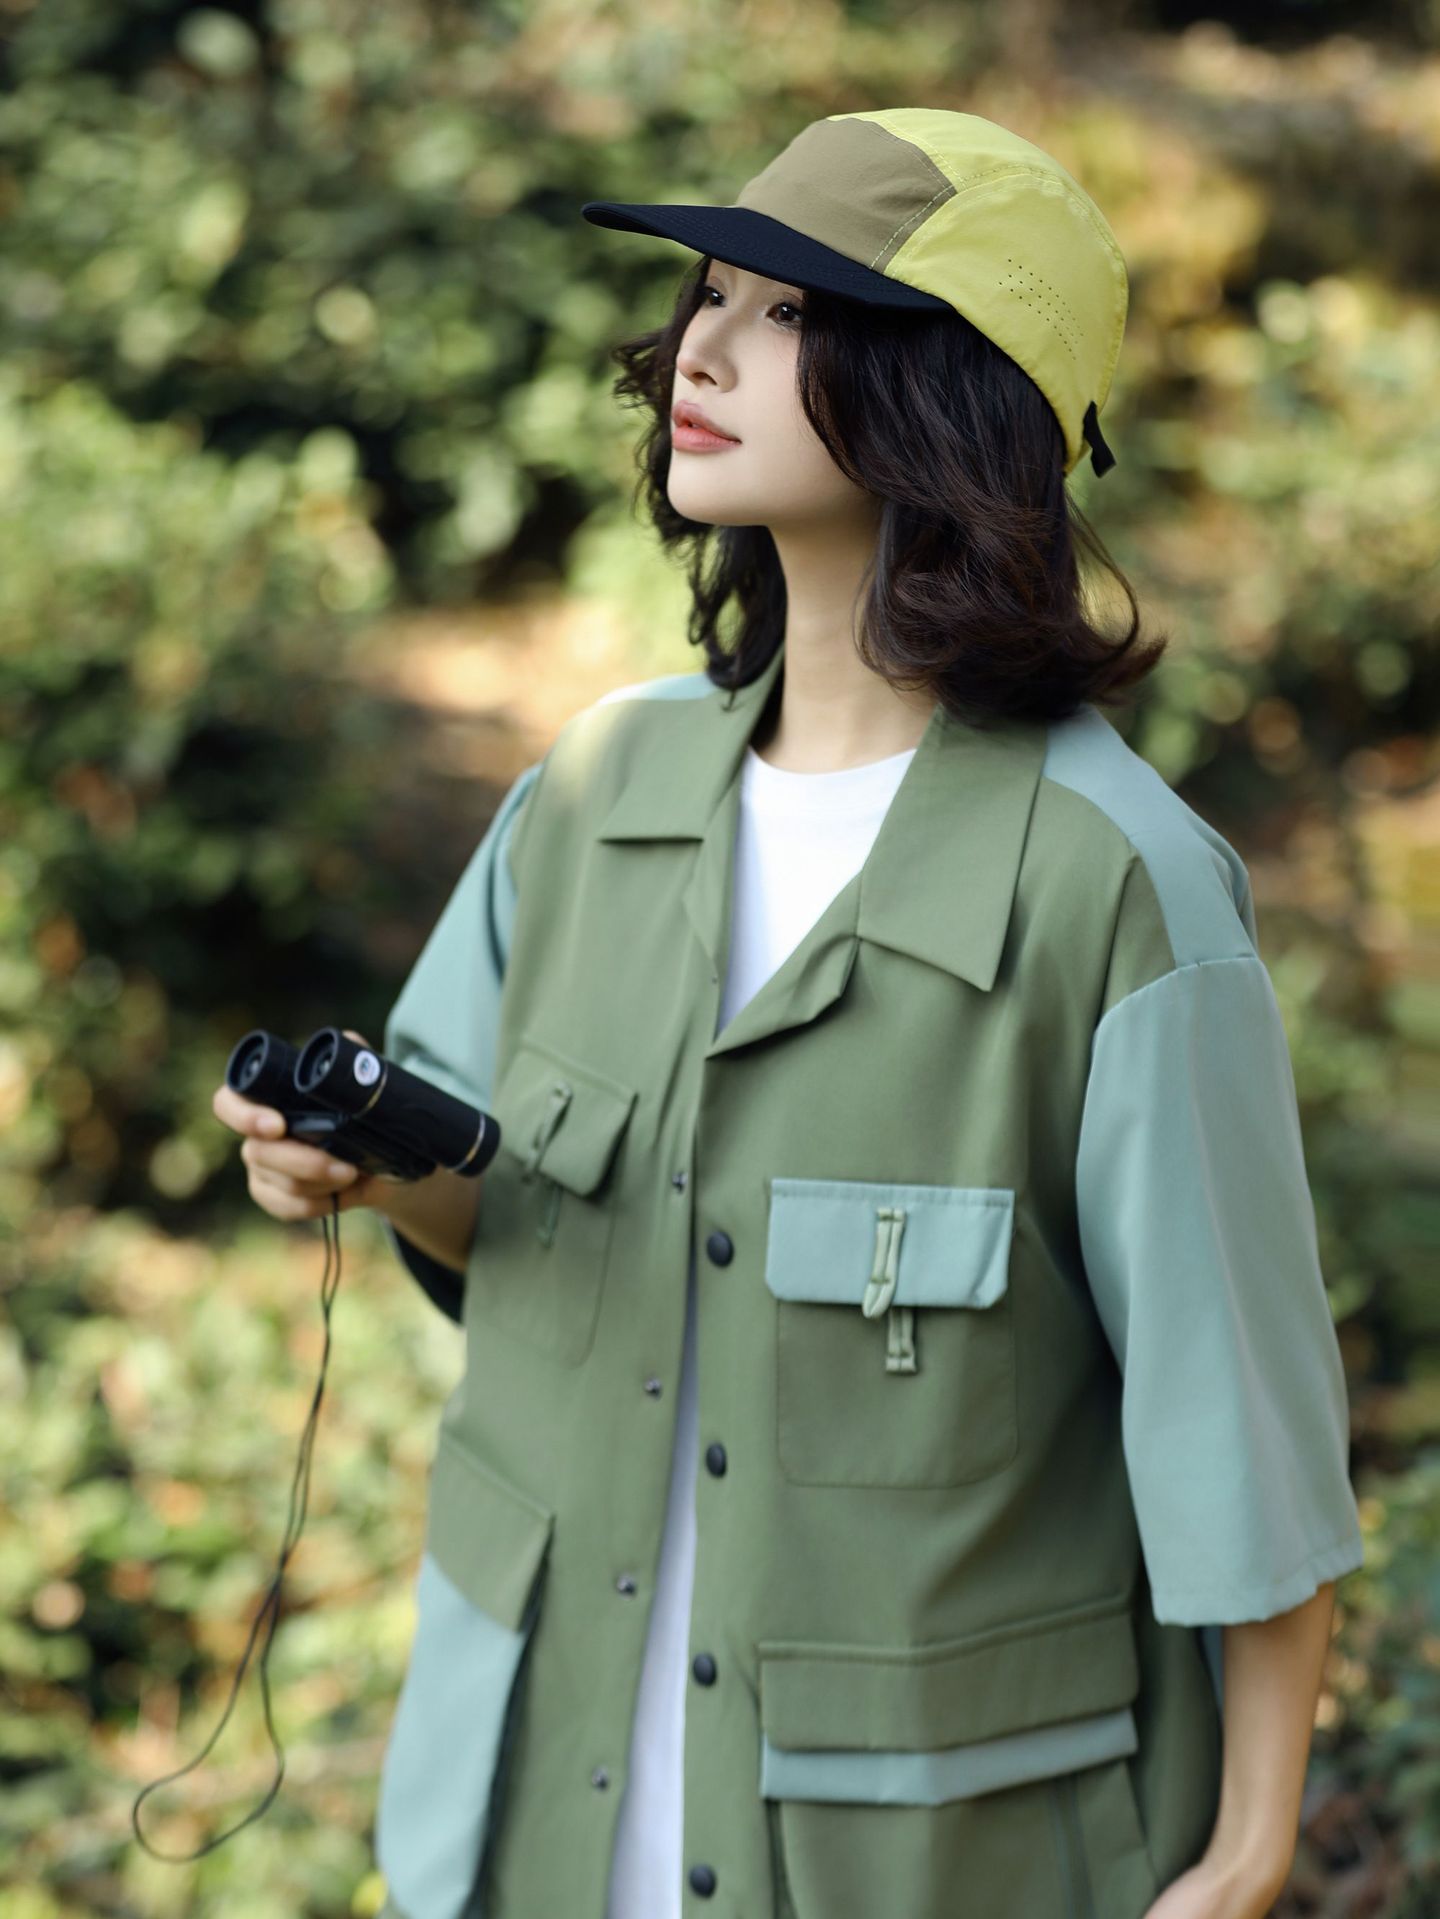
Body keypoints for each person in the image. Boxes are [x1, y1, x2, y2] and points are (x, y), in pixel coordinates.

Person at [216, 108, 1365, 1919]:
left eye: (791, 312)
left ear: (951, 390)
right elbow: (507, 1231)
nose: (703, 348)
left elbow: (1244, 1430)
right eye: (711, 295)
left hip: (933, 1857)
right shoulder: (591, 791)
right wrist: (352, 1169)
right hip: (539, 1829)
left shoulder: (1118, 891)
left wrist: (1246, 1849)